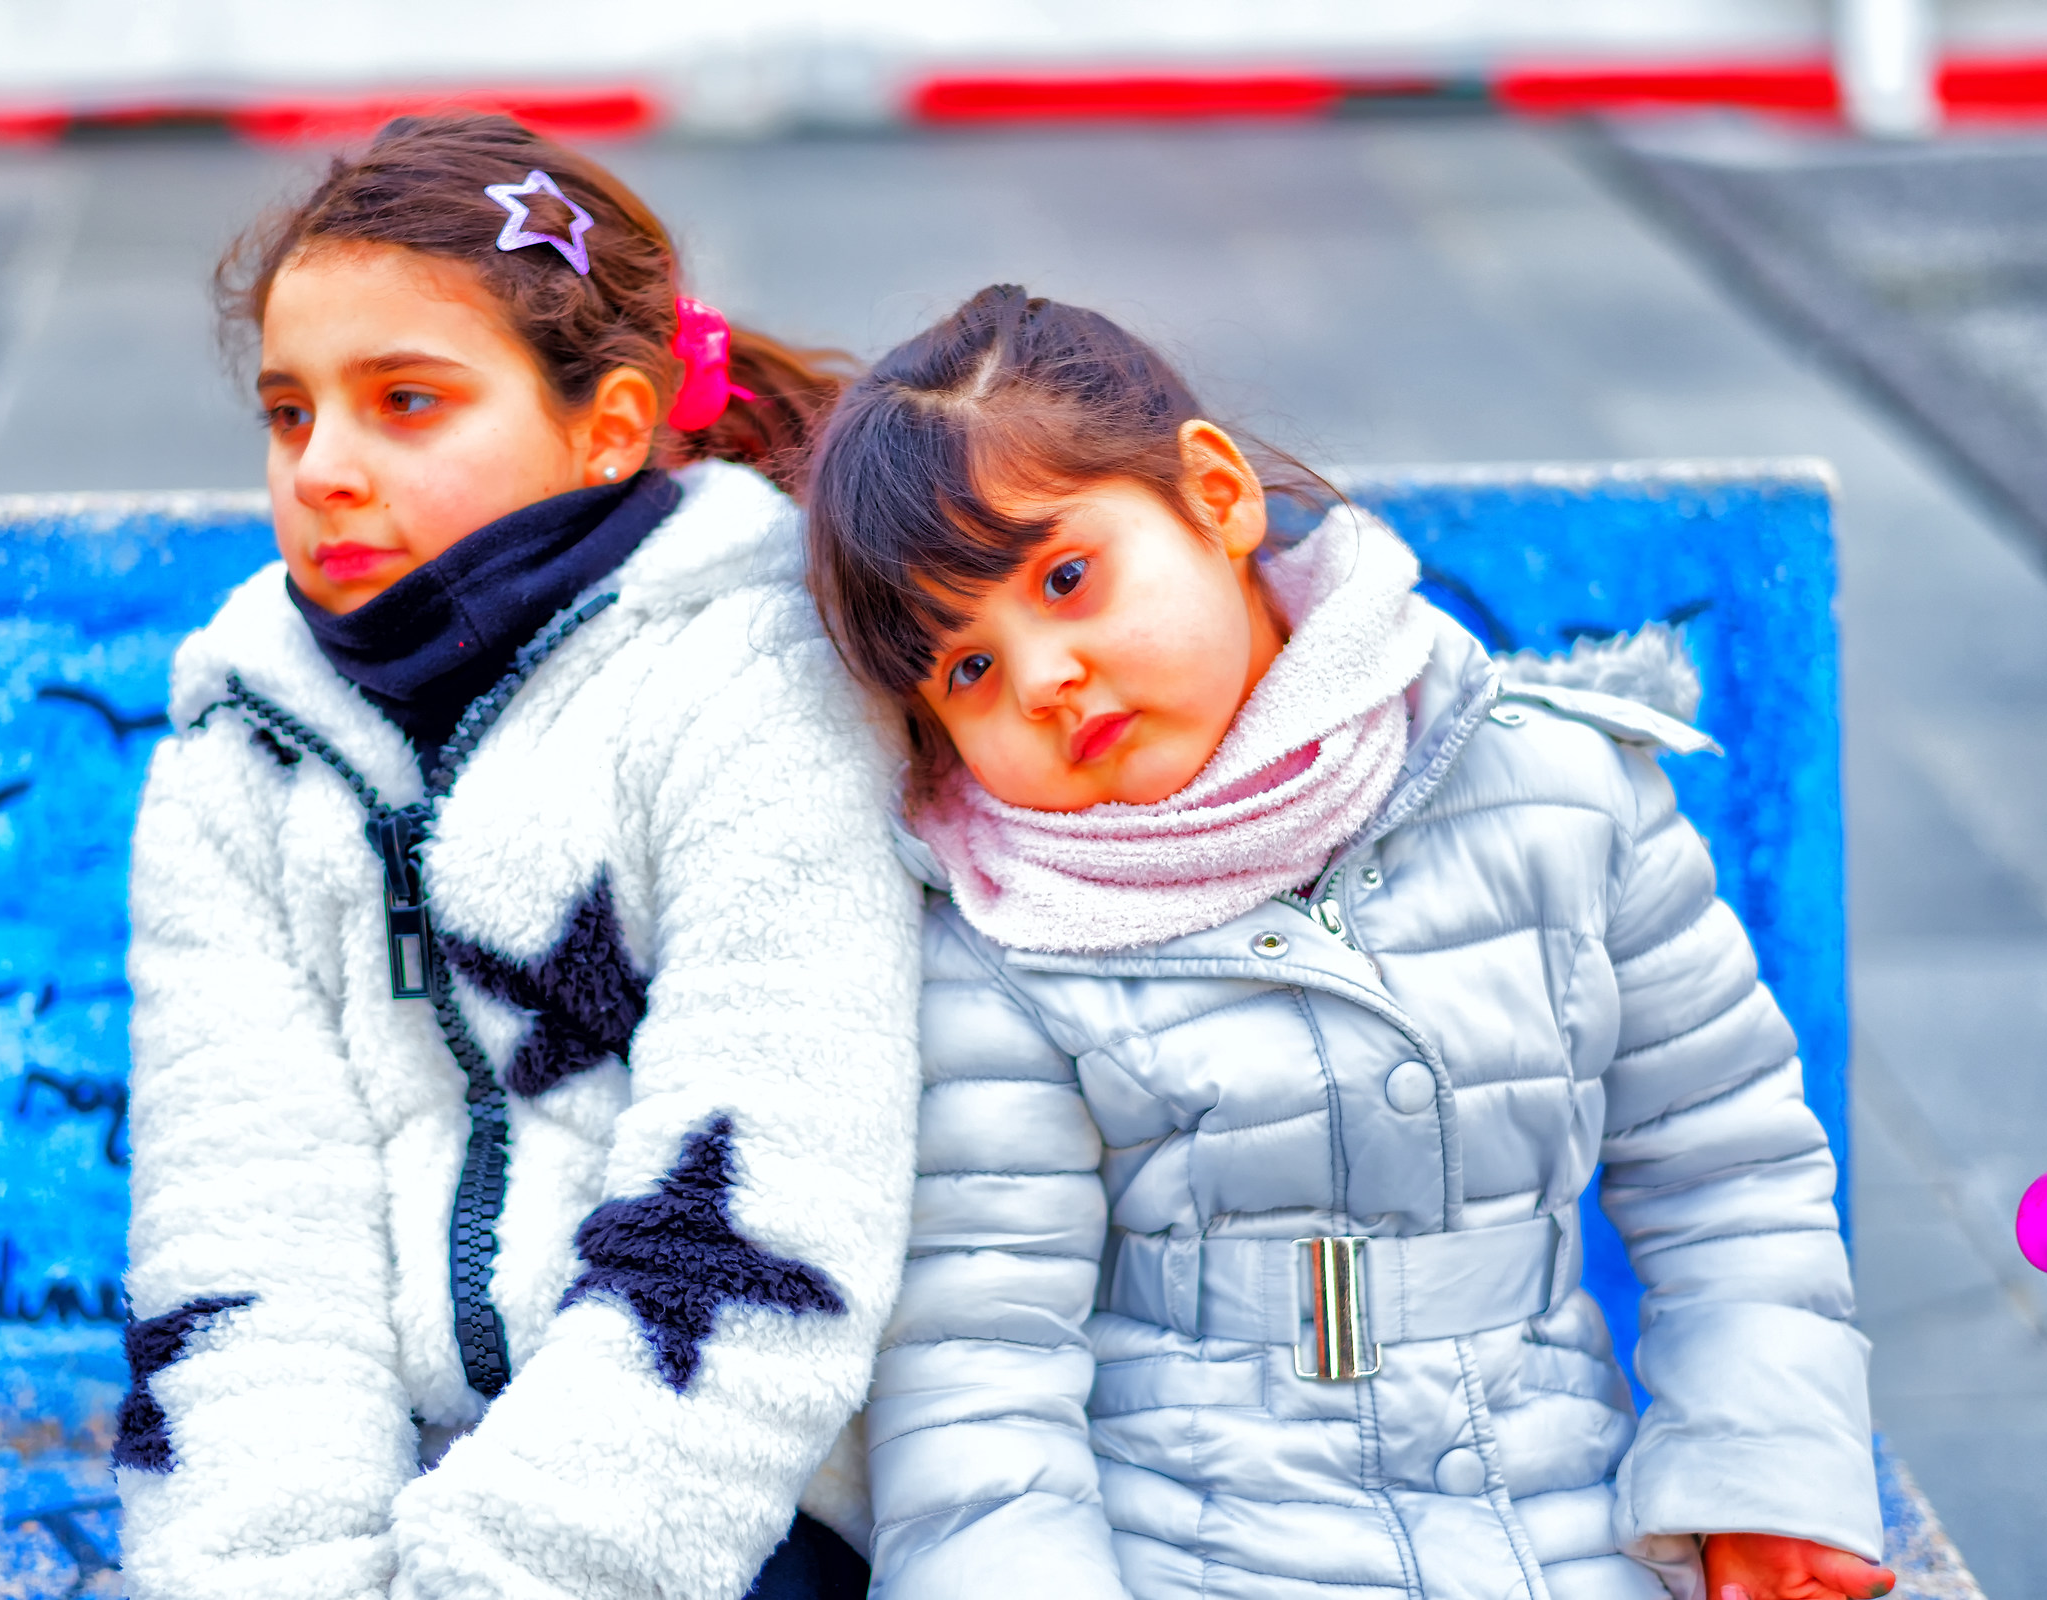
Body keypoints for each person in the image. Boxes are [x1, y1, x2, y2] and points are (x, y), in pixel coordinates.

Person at [802, 286, 1895, 1600]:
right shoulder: (1011, 938)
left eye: (1066, 579)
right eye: (967, 670)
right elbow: (979, 1369)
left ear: (1215, 497)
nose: (1042, 679)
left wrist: (1763, 1490)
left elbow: (1730, 1174)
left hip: (1559, 1526)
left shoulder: (1561, 791)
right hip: (1193, 1550)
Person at [118, 112, 918, 1600]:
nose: (324, 468)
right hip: (413, 1483)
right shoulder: (240, 754)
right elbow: (241, 1230)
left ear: (609, 427)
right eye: (289, 412)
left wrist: (515, 1575)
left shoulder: (756, 692)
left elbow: (764, 1211)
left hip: (727, 1494)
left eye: (406, 401)